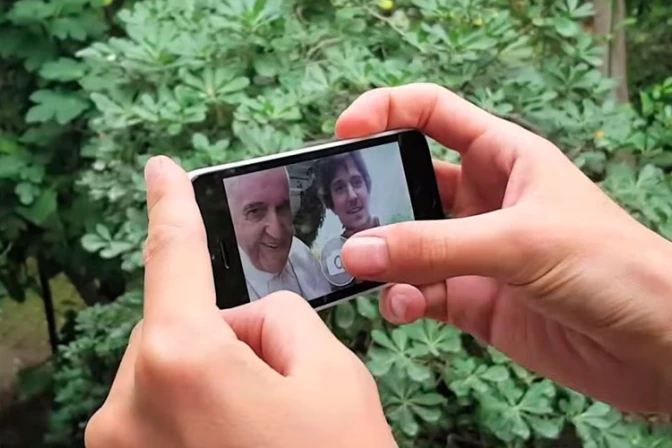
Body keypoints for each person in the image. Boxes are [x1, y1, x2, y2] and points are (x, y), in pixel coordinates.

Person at [85, 83, 672, 448]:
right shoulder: (321, 255)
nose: (273, 227)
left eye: (282, 209)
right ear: (335, 202)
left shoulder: (305, 259)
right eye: (252, 212)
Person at [225, 167, 332, 301]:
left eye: (282, 208)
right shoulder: (226, 297)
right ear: (230, 218)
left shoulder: (300, 252)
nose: (276, 233)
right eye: (255, 212)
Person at [315, 151, 380, 238]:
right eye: (340, 188)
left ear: (367, 186)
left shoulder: (395, 231)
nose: (352, 196)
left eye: (357, 182)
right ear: (331, 203)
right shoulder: (335, 250)